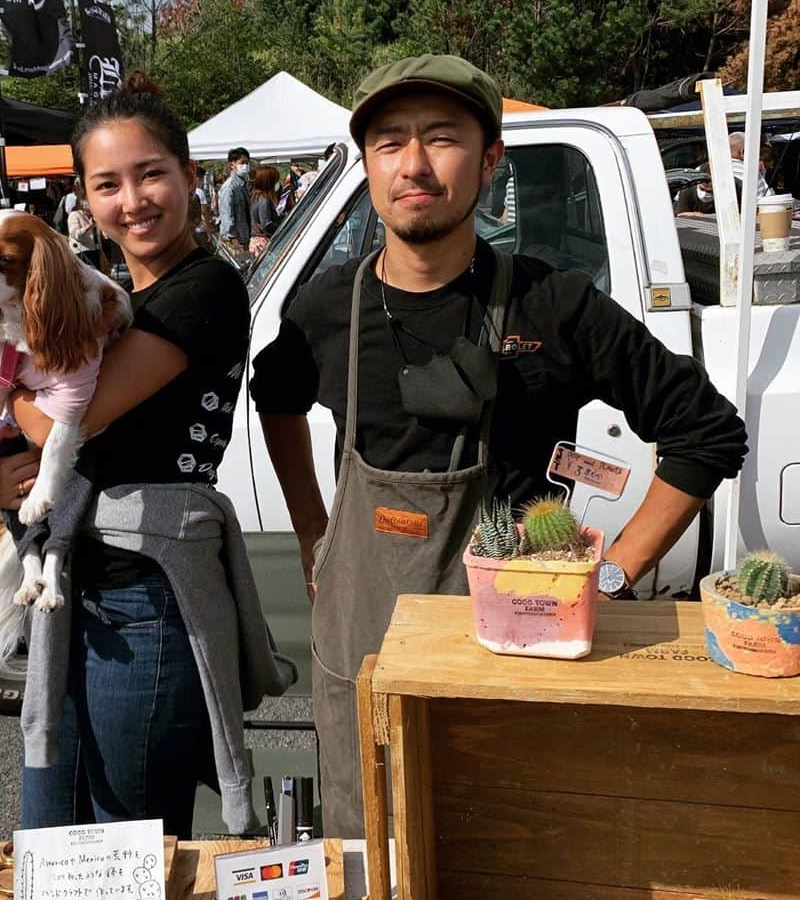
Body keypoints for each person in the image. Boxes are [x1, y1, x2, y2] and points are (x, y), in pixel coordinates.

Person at [250, 54, 748, 838]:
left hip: (511, 658)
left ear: (489, 163)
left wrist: (612, 577)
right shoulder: (324, 313)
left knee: (505, 847)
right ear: (370, 165)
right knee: (371, 849)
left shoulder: (555, 306)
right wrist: (314, 529)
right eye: (389, 142)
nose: (414, 164)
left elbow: (708, 433)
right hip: (363, 656)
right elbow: (272, 398)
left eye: (442, 138)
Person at [0, 72, 293, 839]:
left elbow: (63, 426)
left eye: (151, 174)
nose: (134, 200)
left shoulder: (205, 289)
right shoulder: (117, 299)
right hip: (80, 585)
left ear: (191, 178)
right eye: (108, 184)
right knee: (57, 832)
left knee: (128, 840)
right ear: (85, 199)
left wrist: (6, 401)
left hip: (147, 598)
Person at [218, 146, 251, 249]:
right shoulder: (229, 187)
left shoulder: (243, 185)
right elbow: (227, 215)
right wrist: (233, 239)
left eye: (247, 163)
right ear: (232, 164)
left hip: (244, 238)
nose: (245, 166)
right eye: (242, 163)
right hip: (235, 241)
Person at [249, 164, 280, 257]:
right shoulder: (264, 200)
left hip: (256, 241)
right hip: (262, 243)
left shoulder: (255, 197)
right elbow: (266, 225)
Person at [66, 195, 101, 267]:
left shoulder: (93, 216)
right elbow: (75, 235)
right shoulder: (74, 215)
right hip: (81, 252)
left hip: (95, 250)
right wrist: (89, 226)